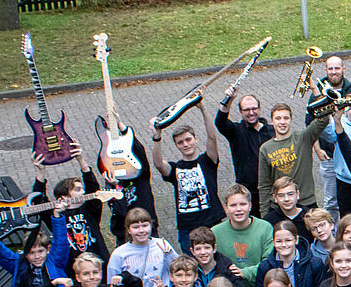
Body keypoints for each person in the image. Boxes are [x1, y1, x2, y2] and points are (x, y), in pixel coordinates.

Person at [30, 142, 110, 273]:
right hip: (72, 271)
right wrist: (40, 171)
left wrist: (81, 160)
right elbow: (38, 200)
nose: (83, 192)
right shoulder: (55, 215)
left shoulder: (90, 209)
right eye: (78, 189)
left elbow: (93, 188)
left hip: (98, 266)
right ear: (64, 196)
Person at [152, 112, 223, 252]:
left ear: (196, 139)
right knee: (191, 266)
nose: (185, 144)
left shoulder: (208, 160)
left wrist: (202, 109)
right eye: (180, 142)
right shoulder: (175, 168)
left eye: (188, 139)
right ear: (176, 146)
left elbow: (212, 137)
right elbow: (158, 164)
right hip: (187, 228)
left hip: (212, 223)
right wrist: (157, 136)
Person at [258, 102, 331, 214]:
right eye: (278, 118)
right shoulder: (265, 149)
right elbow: (264, 185)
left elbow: (323, 120)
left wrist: (315, 90)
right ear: (272, 121)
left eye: (286, 118)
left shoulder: (303, 138)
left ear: (291, 120)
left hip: (306, 203)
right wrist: (264, 213)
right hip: (280, 206)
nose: (282, 122)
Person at [212, 185, 274, 287]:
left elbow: (269, 262)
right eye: (233, 205)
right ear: (226, 209)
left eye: (243, 204)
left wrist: (245, 272)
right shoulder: (215, 232)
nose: (238, 209)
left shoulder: (264, 228)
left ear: (250, 206)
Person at [314, 55, 351, 216]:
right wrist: (317, 149)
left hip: (349, 155)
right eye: (330, 68)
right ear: (325, 70)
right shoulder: (319, 90)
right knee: (331, 201)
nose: (334, 72)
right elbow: (311, 125)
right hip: (329, 155)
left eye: (337, 68)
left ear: (343, 69)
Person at [215, 94, 272, 201]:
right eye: (246, 110)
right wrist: (228, 100)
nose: (251, 113)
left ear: (259, 109)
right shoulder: (236, 131)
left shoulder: (272, 131)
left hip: (271, 190)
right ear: (241, 112)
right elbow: (220, 122)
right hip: (248, 192)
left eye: (254, 108)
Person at [107, 136, 156, 245]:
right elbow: (120, 212)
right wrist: (116, 187)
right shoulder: (111, 184)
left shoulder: (141, 177)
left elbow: (140, 152)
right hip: (123, 238)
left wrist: (124, 129)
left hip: (148, 234)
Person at [263, 177, 312, 242]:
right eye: (281, 195)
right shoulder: (270, 220)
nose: (286, 199)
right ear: (275, 197)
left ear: (297, 194)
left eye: (290, 194)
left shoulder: (309, 216)